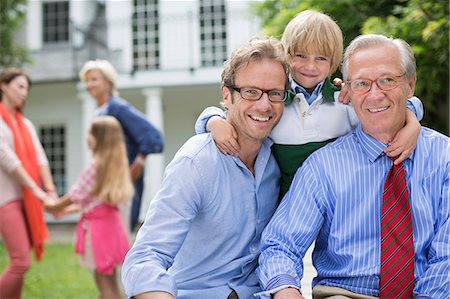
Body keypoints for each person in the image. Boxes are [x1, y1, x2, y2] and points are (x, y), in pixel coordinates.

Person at [256, 34, 450, 299]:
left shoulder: (444, 157)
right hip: (346, 294)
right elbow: (280, 245)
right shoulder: (323, 167)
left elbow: (447, 254)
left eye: (387, 80)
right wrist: (286, 290)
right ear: (347, 91)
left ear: (410, 84)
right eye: (361, 84)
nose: (374, 94)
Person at [121, 37, 290, 299]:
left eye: (275, 93)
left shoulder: (277, 158)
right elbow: (145, 257)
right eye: (251, 92)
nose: (264, 105)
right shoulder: (195, 163)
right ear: (227, 95)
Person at [195, 10, 423, 198]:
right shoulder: (274, 101)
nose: (309, 66)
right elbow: (235, 114)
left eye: (321, 58)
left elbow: (394, 106)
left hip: (341, 207)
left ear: (333, 61)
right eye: (300, 56)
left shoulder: (344, 99)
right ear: (287, 55)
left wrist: (412, 125)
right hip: (287, 210)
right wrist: (213, 121)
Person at [45, 116, 133, 299]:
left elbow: (75, 195)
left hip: (99, 232)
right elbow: (94, 202)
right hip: (112, 227)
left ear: (101, 138)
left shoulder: (95, 166)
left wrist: (54, 206)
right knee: (111, 282)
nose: (87, 138)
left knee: (103, 283)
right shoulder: (114, 166)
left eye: (91, 133)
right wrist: (65, 212)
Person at [79, 59, 164, 231]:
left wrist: (139, 162)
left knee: (120, 233)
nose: (89, 84)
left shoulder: (117, 108)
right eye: (87, 80)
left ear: (109, 83)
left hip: (125, 181)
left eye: (94, 79)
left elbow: (153, 136)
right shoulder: (99, 111)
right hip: (109, 181)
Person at [0, 68, 56, 298]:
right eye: (20, 86)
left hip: (26, 200)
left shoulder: (25, 124)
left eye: (27, 89)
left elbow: (40, 158)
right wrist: (36, 189)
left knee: (21, 265)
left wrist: (50, 188)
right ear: (3, 86)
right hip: (6, 199)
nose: (25, 93)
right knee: (20, 261)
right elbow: (8, 161)